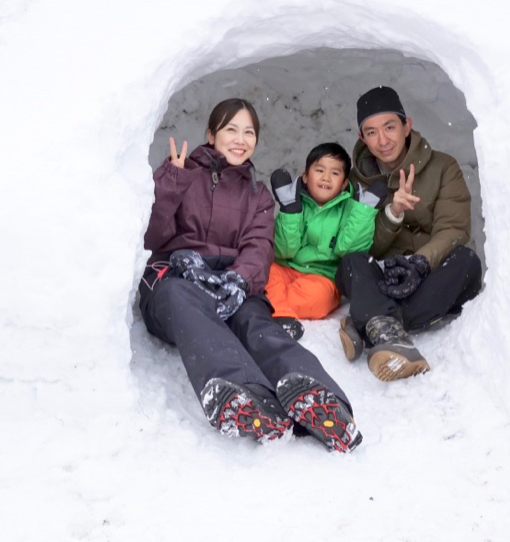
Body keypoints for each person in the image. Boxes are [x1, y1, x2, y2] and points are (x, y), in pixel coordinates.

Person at [139, 98, 362, 452]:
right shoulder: (183, 175)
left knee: (258, 325)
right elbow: (152, 237)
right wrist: (171, 184)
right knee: (182, 298)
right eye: (231, 129)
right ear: (211, 134)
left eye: (248, 132)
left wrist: (239, 280)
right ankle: (248, 398)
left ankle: (323, 401)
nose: (240, 139)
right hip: (176, 280)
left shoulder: (257, 196)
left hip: (230, 284)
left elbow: (259, 247)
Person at [335, 86, 483, 382]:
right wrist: (393, 213)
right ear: (362, 138)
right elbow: (365, 247)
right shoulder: (356, 182)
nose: (383, 140)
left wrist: (419, 263)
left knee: (466, 261)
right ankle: (387, 326)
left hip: (431, 276)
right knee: (350, 262)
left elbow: (454, 229)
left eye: (390, 127)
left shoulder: (444, 167)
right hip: (387, 279)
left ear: (407, 126)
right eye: (372, 132)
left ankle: (373, 322)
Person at [265, 142, 388, 321]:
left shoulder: (351, 209)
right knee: (263, 275)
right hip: (285, 268)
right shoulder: (293, 201)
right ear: (305, 176)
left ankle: (276, 310)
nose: (326, 178)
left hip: (321, 276)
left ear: (344, 183)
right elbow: (284, 251)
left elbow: (347, 251)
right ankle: (281, 312)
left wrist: (364, 212)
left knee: (317, 298)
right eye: (319, 170)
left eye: (335, 173)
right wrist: (290, 210)